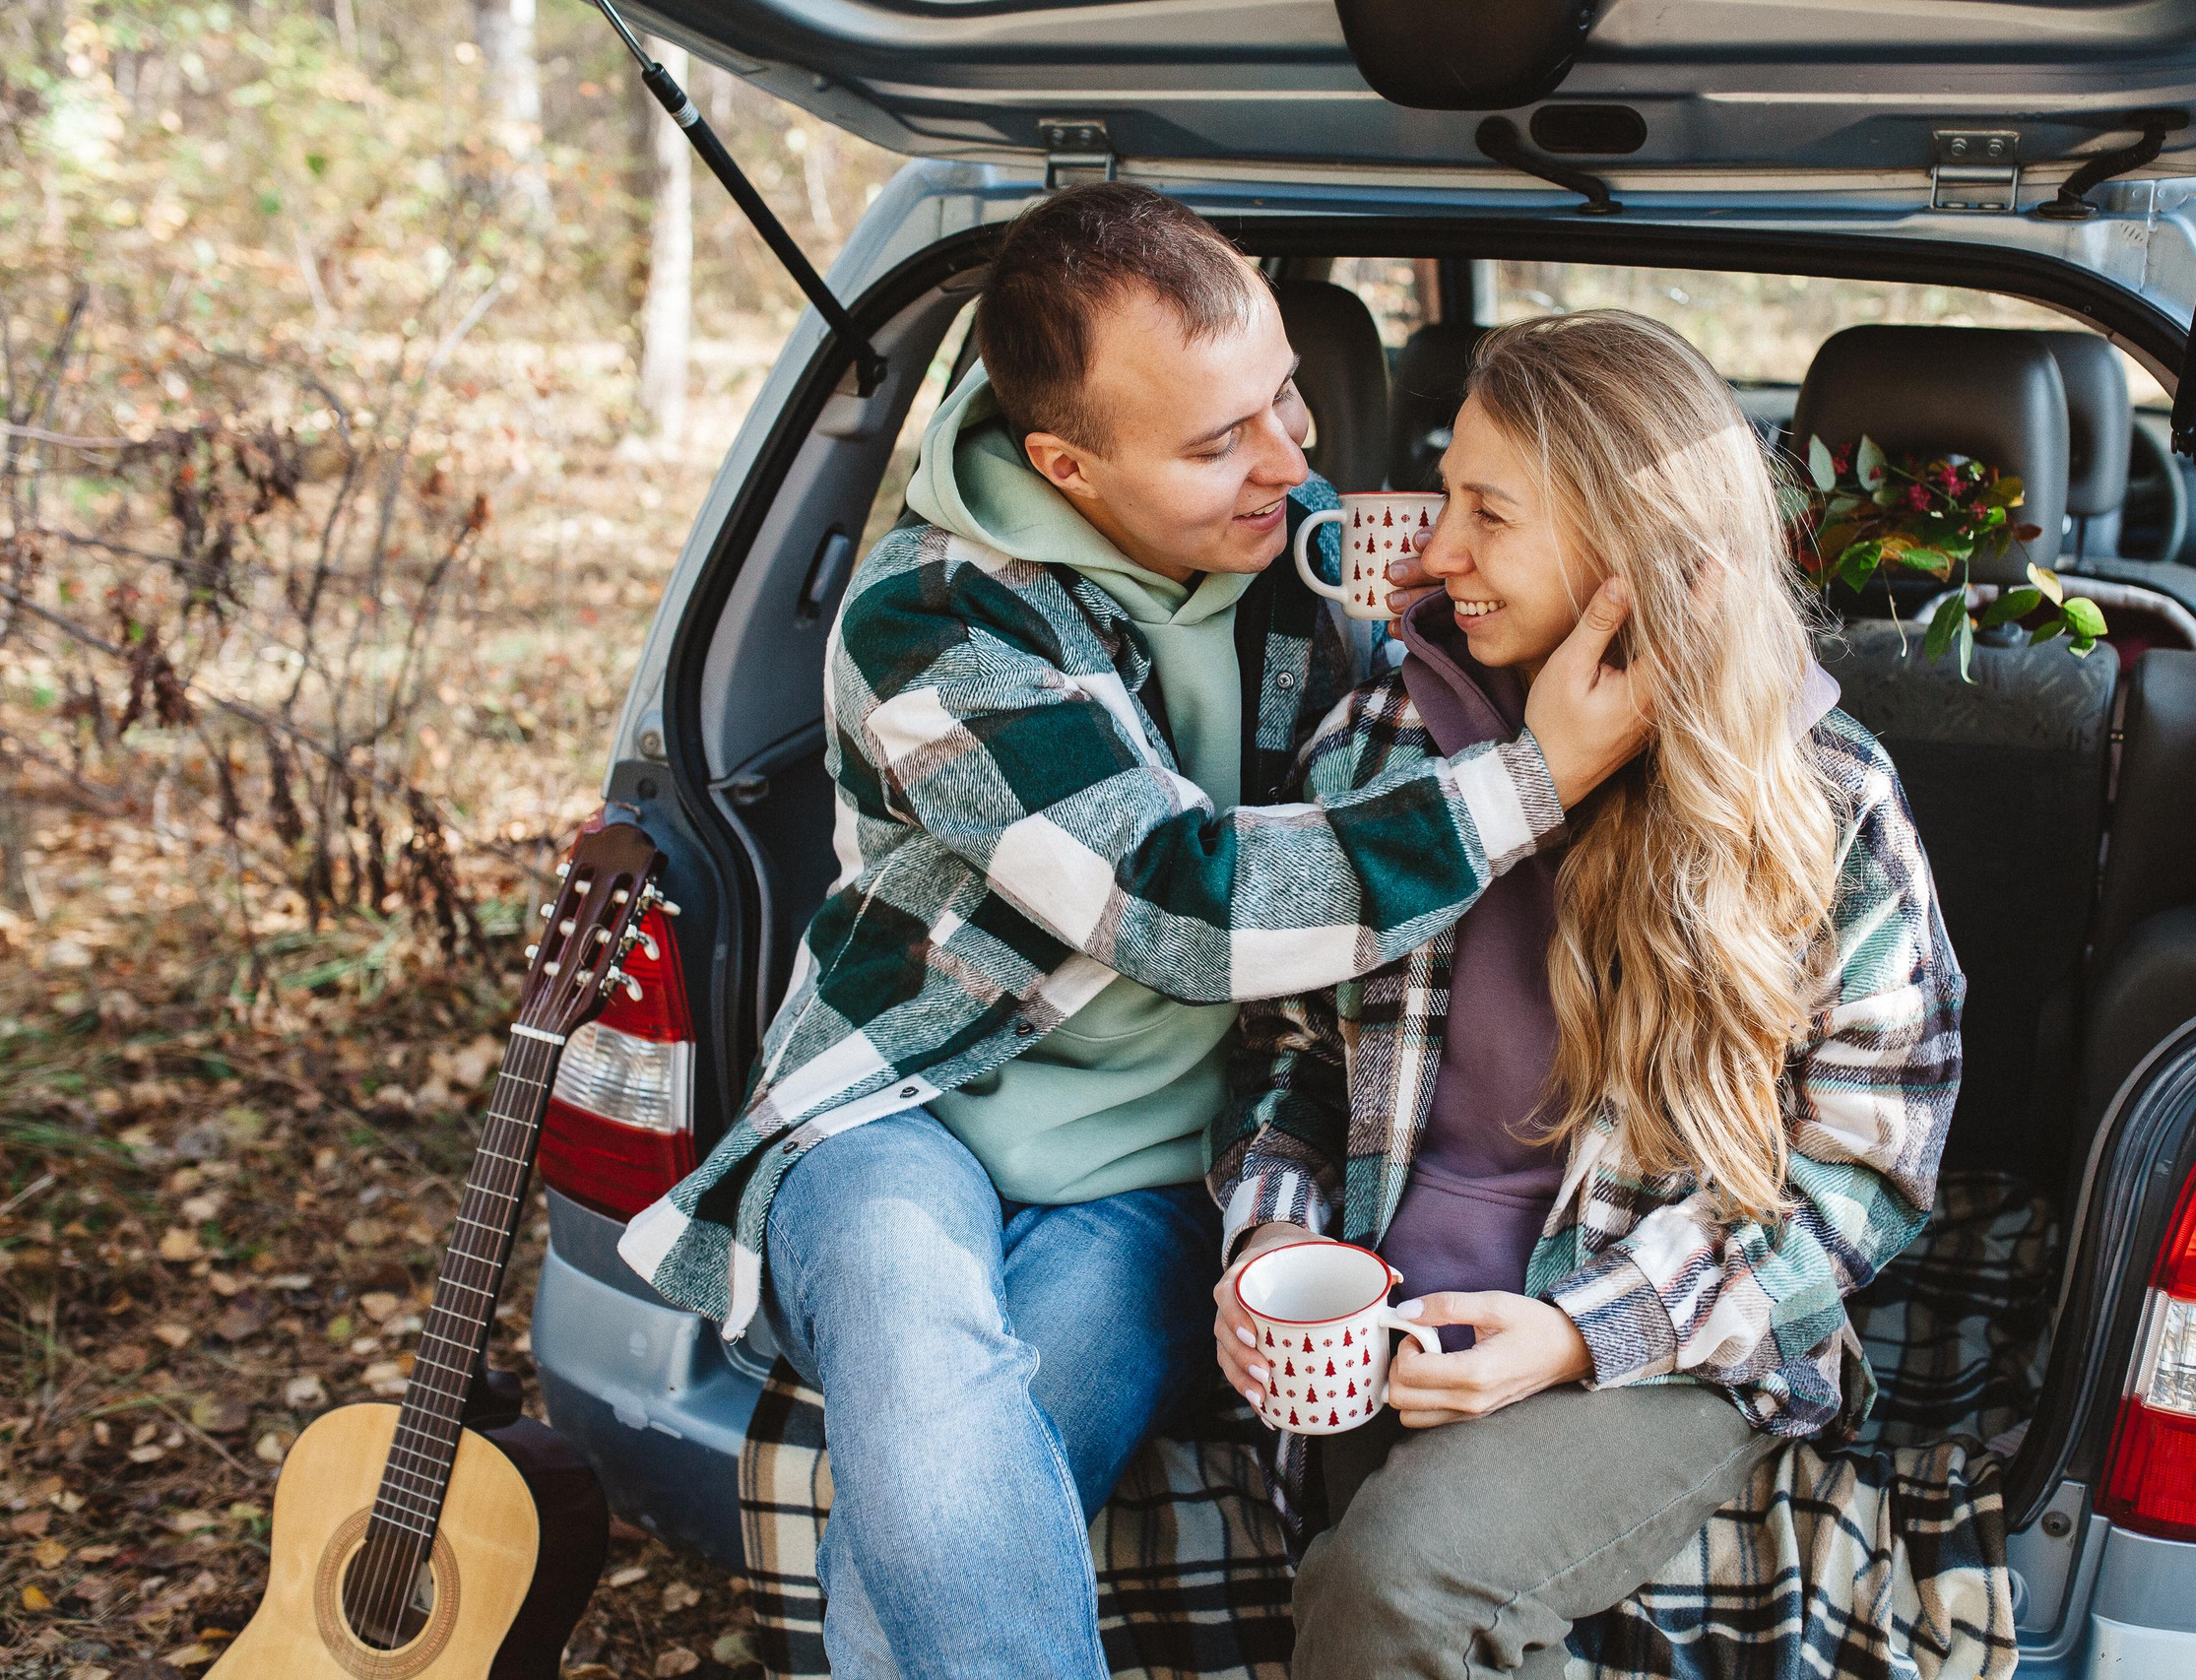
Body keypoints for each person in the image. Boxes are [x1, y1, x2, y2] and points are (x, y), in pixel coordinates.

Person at [616, 185, 1647, 1679]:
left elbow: (1426, 689)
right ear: (1066, 464)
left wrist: (1468, 613)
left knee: (942, 1504)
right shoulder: (934, 624)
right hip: (906, 1108)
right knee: (920, 1353)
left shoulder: (1294, 555)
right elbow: (1183, 899)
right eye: (1218, 440)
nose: (1293, 462)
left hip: (1158, 1170)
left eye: (1286, 395)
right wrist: (1531, 779)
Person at [1208, 309, 1967, 1680]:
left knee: (1390, 1589)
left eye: (1487, 514)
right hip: (1385, 1317)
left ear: (1628, 553)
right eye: (1446, 496)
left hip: (1663, 1335)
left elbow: (1868, 1166)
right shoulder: (1373, 744)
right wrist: (1270, 1238)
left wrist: (1574, 1333)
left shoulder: (1819, 800)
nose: (1433, 552)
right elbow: (1285, 1058)